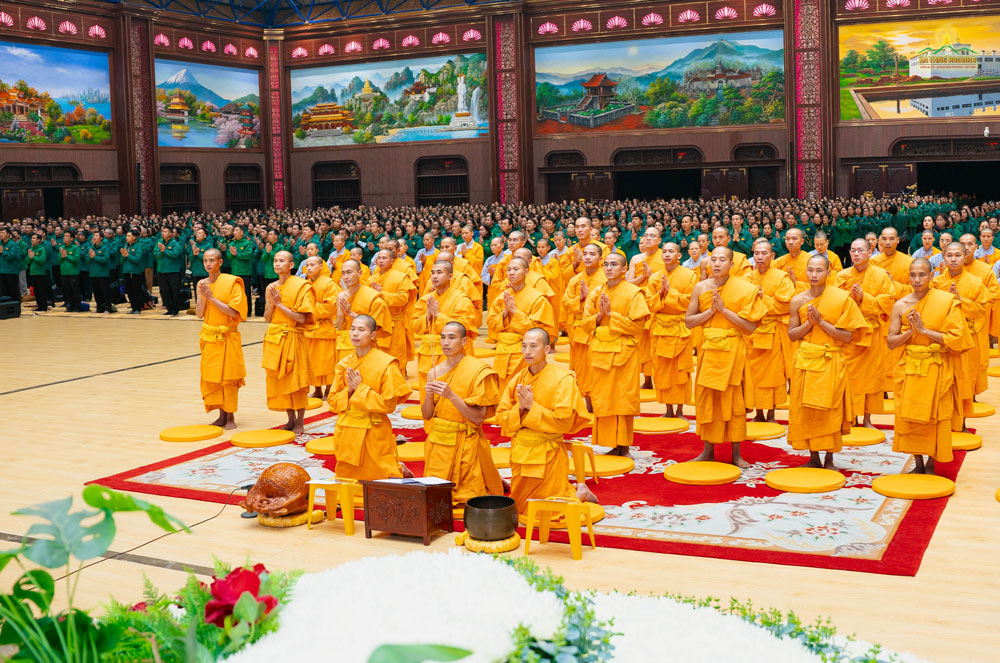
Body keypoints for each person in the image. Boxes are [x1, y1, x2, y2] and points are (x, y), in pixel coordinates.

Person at [494, 328, 597, 514]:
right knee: (521, 509)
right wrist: (520, 408)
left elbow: (564, 422)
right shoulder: (518, 379)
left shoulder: (563, 379)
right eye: (524, 346)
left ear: (547, 349)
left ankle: (579, 493)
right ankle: (578, 490)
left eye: (534, 346)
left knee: (552, 511)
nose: (527, 351)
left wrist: (532, 407)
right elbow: (502, 418)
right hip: (521, 451)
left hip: (548, 453)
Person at [888, 258, 972, 474]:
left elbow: (959, 339)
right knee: (911, 416)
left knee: (936, 417)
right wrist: (911, 331)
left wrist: (924, 331)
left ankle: (932, 463)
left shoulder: (946, 301)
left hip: (937, 367)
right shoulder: (901, 305)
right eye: (913, 275)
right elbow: (890, 342)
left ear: (931, 275)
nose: (917, 280)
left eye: (922, 275)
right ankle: (917, 463)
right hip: (909, 368)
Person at [684, 247, 767, 467]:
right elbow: (689, 321)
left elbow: (750, 326)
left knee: (734, 402)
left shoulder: (745, 289)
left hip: (733, 349)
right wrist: (710, 312)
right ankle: (708, 450)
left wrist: (723, 310)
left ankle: (736, 454)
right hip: (709, 350)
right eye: (714, 259)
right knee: (707, 400)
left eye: (723, 259)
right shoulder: (701, 288)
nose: (717, 263)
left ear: (732, 265)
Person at [786, 255, 866, 469]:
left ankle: (830, 458)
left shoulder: (842, 298)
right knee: (808, 411)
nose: (813, 274)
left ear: (828, 272)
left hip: (831, 361)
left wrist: (821, 323)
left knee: (831, 410)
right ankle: (813, 457)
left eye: (819, 270)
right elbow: (792, 335)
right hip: (806, 362)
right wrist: (809, 325)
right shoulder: (798, 300)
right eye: (810, 270)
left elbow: (849, 336)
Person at [421, 321, 504, 504]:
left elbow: (478, 417)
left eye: (452, 338)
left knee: (469, 499)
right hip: (438, 444)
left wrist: (451, 395)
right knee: (435, 499)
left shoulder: (476, 370)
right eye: (443, 337)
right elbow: (427, 415)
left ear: (464, 341)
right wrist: (428, 396)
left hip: (465, 442)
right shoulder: (434, 372)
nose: (446, 343)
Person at [581, 251, 650, 457]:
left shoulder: (633, 292)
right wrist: (600, 316)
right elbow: (585, 324)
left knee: (622, 399)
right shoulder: (596, 293)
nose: (609, 268)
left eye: (614, 265)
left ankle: (625, 447)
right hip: (600, 352)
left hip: (624, 354)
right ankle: (612, 444)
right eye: (607, 264)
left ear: (623, 269)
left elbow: (638, 327)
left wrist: (612, 315)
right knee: (604, 399)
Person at [329, 314, 413, 481]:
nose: (355, 334)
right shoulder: (344, 364)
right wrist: (350, 391)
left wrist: (360, 389)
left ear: (373, 335)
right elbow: (332, 402)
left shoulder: (386, 364)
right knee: (349, 475)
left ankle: (398, 470)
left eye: (361, 330)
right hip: (347, 427)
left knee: (380, 474)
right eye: (353, 329)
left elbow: (388, 405)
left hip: (373, 428)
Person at [834, 238, 896, 428]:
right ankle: (850, 416)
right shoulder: (842, 276)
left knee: (871, 376)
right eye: (853, 251)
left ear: (870, 253)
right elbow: (833, 302)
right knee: (850, 376)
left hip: (872, 332)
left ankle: (868, 418)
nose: (856, 254)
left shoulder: (880, 275)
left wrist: (864, 298)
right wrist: (850, 298)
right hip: (850, 333)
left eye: (861, 250)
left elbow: (889, 301)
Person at [932, 242, 987, 432]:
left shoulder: (976, 282)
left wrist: (960, 300)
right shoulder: (936, 283)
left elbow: (982, 311)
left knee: (962, 383)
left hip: (965, 341)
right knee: (943, 383)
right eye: (949, 255)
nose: (953, 259)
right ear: (943, 258)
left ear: (965, 257)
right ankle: (943, 424)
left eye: (957, 255)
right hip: (943, 340)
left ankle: (961, 423)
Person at [262, 250, 315, 434]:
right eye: (275, 260)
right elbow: (267, 318)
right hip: (276, 339)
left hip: (293, 337)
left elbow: (301, 318)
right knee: (281, 380)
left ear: (291, 265)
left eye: (281, 261)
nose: (277, 264)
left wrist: (280, 304)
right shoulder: (271, 287)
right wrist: (271, 302)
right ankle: (290, 419)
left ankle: (300, 421)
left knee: (296, 381)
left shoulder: (302, 286)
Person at [411, 260, 479, 399]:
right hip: (427, 354)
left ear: (450, 276)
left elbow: (464, 326)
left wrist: (438, 315)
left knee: (450, 396)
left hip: (451, 354)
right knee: (428, 397)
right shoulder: (425, 300)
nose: (434, 276)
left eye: (439, 272)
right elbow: (414, 326)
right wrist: (427, 317)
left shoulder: (461, 299)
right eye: (432, 273)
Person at [645, 242, 698, 418]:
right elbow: (649, 303)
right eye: (665, 251)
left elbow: (692, 302)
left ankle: (681, 409)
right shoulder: (655, 278)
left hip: (680, 327)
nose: (667, 254)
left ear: (679, 255)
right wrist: (661, 294)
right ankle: (668, 409)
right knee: (663, 369)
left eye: (671, 251)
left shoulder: (690, 275)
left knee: (681, 370)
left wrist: (670, 293)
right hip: (660, 327)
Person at [196, 248, 248, 430]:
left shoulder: (231, 282)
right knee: (213, 377)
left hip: (227, 335)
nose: (208, 264)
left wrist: (212, 298)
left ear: (220, 262)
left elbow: (235, 312)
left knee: (229, 378)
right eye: (205, 260)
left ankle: (231, 416)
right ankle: (220, 414)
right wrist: (204, 298)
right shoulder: (202, 284)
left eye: (211, 260)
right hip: (210, 337)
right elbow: (199, 314)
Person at [487, 257, 557, 389]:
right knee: (502, 391)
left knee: (523, 388)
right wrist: (505, 313)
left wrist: (515, 312)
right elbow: (491, 323)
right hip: (502, 352)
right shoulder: (502, 297)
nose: (511, 273)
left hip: (525, 352)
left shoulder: (538, 298)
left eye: (515, 269)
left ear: (526, 272)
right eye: (508, 270)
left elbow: (540, 331)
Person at [746, 239, 795, 422]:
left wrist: (762, 297)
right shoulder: (748, 278)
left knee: (774, 375)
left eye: (764, 253)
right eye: (757, 253)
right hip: (753, 330)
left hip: (773, 331)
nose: (760, 257)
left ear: (772, 256)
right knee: (754, 375)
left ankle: (772, 413)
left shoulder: (781, 277)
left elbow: (786, 305)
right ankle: (758, 413)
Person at [560, 244, 607, 407]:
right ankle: (588, 405)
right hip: (579, 331)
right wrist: (580, 299)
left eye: (592, 254)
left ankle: (601, 404)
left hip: (599, 329)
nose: (587, 257)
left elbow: (610, 304)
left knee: (598, 369)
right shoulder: (575, 279)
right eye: (585, 254)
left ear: (600, 259)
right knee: (583, 371)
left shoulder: (606, 279)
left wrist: (589, 299)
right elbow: (565, 303)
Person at [333, 259, 392, 365]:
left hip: (366, 347)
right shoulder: (341, 296)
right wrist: (342, 314)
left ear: (360, 273)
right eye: (343, 273)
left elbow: (377, 329)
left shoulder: (373, 298)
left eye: (349, 272)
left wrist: (352, 314)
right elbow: (340, 326)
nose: (346, 277)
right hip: (345, 346)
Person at [370, 248, 417, 367]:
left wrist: (382, 293)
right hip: (376, 324)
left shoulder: (401, 277)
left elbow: (403, 299)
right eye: (379, 258)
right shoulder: (372, 279)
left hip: (394, 324)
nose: (381, 261)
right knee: (376, 359)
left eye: (384, 258)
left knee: (395, 357)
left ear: (392, 261)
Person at [304, 255, 341, 401]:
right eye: (307, 265)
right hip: (309, 328)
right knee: (313, 362)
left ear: (321, 266)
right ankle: (317, 389)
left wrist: (310, 308)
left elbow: (331, 306)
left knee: (326, 361)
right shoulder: (305, 284)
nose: (309, 267)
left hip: (324, 327)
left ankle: (328, 389)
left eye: (313, 264)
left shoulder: (328, 284)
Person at [155, 227, 184, 316]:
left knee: (174, 291)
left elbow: (175, 254)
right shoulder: (159, 242)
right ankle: (169, 308)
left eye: (165, 231)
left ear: (171, 234)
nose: (163, 233)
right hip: (161, 271)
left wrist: (165, 250)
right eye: (162, 231)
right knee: (164, 291)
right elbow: (155, 254)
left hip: (173, 271)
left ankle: (175, 309)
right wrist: (162, 251)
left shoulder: (175, 243)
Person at [774, 227, 809, 294]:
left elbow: (818, 287)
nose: (790, 242)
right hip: (783, 297)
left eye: (794, 239)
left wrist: (795, 282)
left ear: (802, 241)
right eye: (787, 239)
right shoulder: (779, 262)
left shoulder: (811, 261)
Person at [121, 229, 145, 314]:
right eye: (126, 236)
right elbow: (121, 261)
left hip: (135, 272)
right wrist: (123, 256)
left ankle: (138, 308)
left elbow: (137, 259)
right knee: (129, 291)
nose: (127, 238)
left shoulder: (138, 246)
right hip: (126, 271)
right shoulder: (126, 246)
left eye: (129, 236)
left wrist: (128, 255)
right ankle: (133, 307)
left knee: (136, 291)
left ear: (134, 237)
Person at [88, 231, 113, 313]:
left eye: (96, 235)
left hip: (103, 273)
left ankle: (108, 308)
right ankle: (99, 307)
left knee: (105, 292)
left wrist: (95, 257)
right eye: (94, 235)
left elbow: (105, 260)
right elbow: (86, 260)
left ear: (101, 238)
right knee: (96, 292)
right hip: (93, 273)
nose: (94, 237)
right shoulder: (91, 248)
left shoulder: (105, 248)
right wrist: (90, 257)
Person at [58, 231, 82, 312]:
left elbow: (76, 259)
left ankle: (77, 307)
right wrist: (62, 256)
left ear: (72, 238)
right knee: (67, 291)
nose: (64, 237)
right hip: (64, 272)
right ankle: (70, 306)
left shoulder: (75, 247)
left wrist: (66, 256)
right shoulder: (62, 247)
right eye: (64, 236)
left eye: (67, 236)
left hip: (73, 272)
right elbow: (59, 260)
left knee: (75, 291)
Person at [27, 233, 50, 312]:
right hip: (32, 272)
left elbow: (42, 260)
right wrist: (30, 256)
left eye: (34, 238)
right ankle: (39, 306)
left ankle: (44, 306)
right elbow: (27, 261)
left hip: (40, 273)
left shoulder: (42, 249)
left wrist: (34, 257)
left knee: (42, 290)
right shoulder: (31, 249)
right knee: (36, 291)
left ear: (39, 240)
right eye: (32, 238)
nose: (32, 239)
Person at [0, 227, 24, 301]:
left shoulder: (12, 244)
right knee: (4, 291)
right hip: (2, 271)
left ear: (8, 234)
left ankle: (16, 307)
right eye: (0, 233)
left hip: (11, 271)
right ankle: (6, 308)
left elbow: (12, 256)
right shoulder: (0, 243)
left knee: (13, 291)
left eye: (3, 233)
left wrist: (3, 252)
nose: (1, 234)